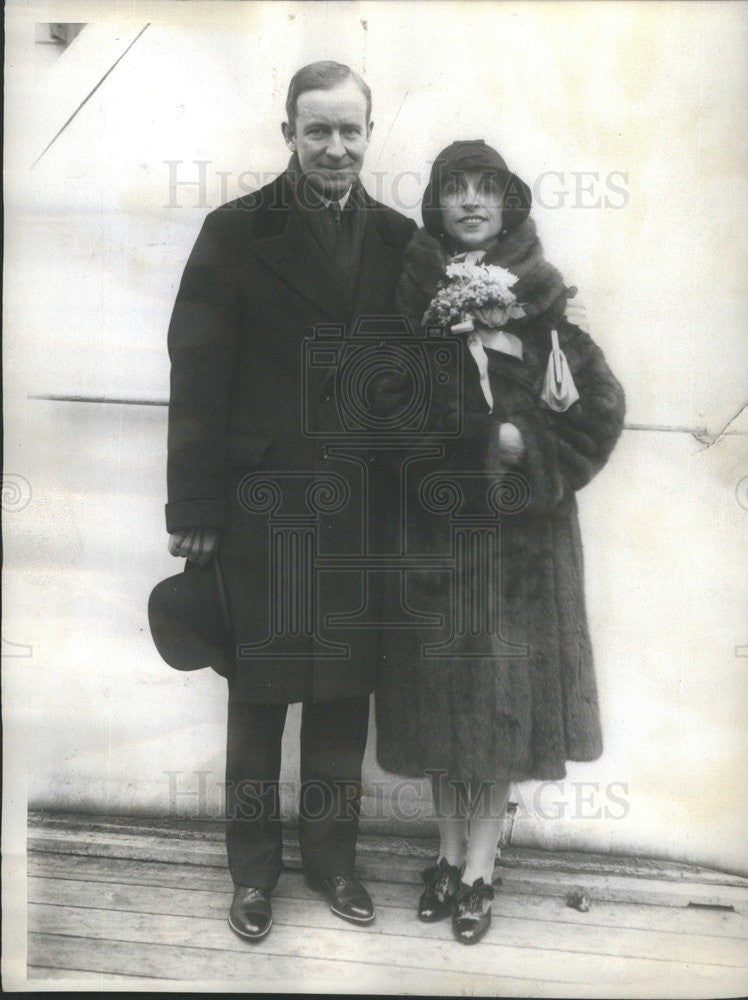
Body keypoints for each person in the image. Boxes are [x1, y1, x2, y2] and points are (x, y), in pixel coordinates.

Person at [164, 61, 415, 942]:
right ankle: (252, 872)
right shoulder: (235, 232)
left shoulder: (399, 240)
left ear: (368, 134)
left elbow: (418, 381)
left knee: (344, 693)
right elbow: (196, 376)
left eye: (350, 131)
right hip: (262, 508)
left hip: (361, 511)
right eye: (317, 131)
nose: (335, 148)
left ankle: (332, 860)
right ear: (287, 135)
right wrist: (192, 508)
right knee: (259, 694)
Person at [374, 140, 626, 944]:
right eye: (457, 191)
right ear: (436, 207)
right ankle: (445, 858)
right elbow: (378, 411)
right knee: (440, 710)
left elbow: (597, 413)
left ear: (509, 204)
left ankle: (482, 869)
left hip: (520, 553)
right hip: (434, 541)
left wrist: (527, 454)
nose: (472, 203)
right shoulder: (407, 301)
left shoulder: (549, 307)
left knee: (498, 713)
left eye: (487, 190)